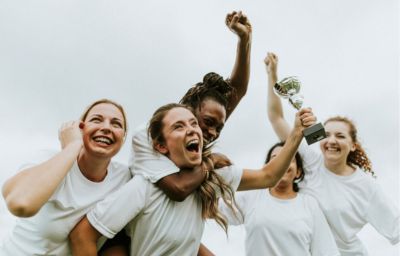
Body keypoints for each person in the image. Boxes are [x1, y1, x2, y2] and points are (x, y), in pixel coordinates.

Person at [69, 103, 315, 255]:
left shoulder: (214, 177)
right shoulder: (144, 187)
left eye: (193, 124)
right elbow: (82, 236)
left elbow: (268, 176)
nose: (192, 129)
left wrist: (296, 133)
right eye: (178, 126)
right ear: (161, 147)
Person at [265, 52, 400, 255]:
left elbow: (396, 228)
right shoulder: (311, 160)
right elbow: (276, 118)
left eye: (340, 136)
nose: (332, 141)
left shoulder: (366, 187)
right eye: (326, 135)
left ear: (353, 145)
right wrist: (272, 75)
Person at [131, 10, 252, 202]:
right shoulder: (145, 135)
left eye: (218, 127)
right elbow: (179, 188)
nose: (212, 132)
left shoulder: (201, 133)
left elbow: (237, 90)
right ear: (188, 110)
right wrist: (211, 160)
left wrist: (244, 38)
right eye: (208, 122)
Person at [1, 99, 131, 255]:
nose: (106, 128)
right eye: (96, 120)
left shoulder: (124, 178)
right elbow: (21, 204)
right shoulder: (48, 159)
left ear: (123, 138)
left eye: (116, 124)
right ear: (80, 129)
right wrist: (73, 146)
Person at [218, 142, 339, 256]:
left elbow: (326, 250)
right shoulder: (252, 196)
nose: (282, 163)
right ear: (267, 167)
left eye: (289, 159)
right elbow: (211, 208)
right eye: (275, 158)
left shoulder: (309, 204)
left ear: (298, 172)